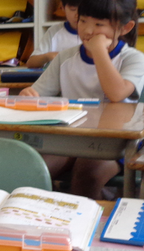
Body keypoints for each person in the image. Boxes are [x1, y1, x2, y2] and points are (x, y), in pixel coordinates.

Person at [21, 0, 144, 200]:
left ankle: (83, 218)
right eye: (83, 20)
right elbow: (37, 93)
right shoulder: (65, 58)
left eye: (98, 24)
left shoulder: (133, 58)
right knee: (35, 169)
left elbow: (116, 93)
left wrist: (99, 51)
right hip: (70, 139)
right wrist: (28, 95)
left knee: (87, 175)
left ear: (125, 28)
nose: (87, 30)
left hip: (116, 145)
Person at [26, 0, 82, 68]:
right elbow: (30, 63)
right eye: (73, 9)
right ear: (62, 7)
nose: (77, 15)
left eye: (82, 10)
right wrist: (47, 56)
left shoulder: (93, 33)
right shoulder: (54, 32)